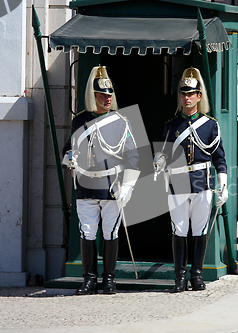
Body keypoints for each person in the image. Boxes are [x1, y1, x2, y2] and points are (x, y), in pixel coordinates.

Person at [62, 65, 139, 295]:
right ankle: (89, 279)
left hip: (111, 187)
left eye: (109, 95)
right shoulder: (80, 121)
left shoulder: (120, 121)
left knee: (110, 233)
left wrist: (128, 186)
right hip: (86, 185)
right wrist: (70, 159)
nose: (107, 99)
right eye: (102, 95)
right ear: (92, 96)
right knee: (87, 232)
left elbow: (133, 156)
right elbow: (67, 150)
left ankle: (109, 278)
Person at [154, 67, 228, 293]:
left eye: (191, 93)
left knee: (199, 230)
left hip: (201, 183)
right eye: (183, 94)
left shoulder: (210, 125)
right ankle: (180, 278)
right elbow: (163, 155)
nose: (187, 97)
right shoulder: (171, 125)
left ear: (199, 96)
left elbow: (219, 158)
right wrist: (158, 162)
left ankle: (196, 276)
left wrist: (223, 184)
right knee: (179, 230)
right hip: (177, 183)